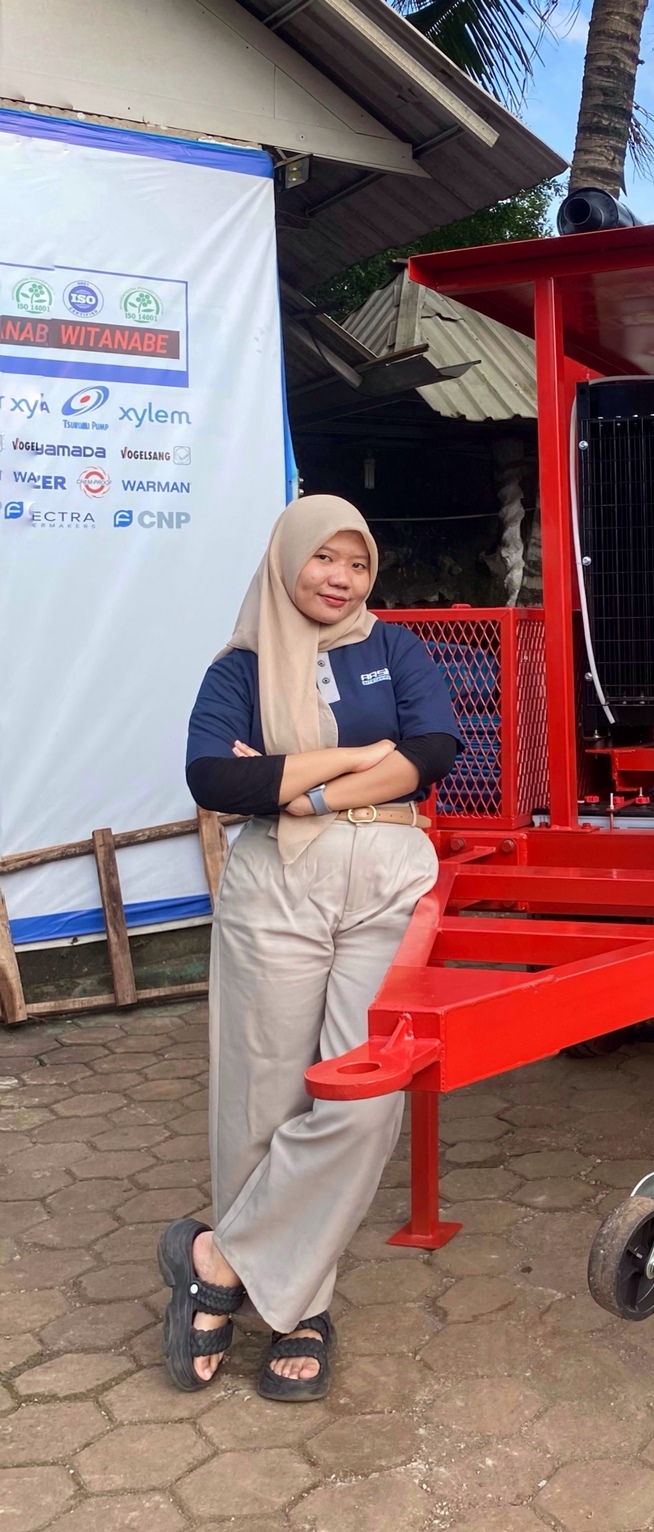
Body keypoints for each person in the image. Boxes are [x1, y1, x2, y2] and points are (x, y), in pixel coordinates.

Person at [157, 494, 461, 1402]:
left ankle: (217, 1260)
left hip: (385, 879)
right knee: (263, 1094)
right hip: (275, 884)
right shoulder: (240, 668)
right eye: (323, 559)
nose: (340, 579)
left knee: (364, 1091)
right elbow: (215, 775)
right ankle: (302, 1309)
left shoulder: (394, 647)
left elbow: (436, 746)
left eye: (357, 563)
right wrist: (355, 757)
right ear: (287, 560)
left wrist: (301, 788)